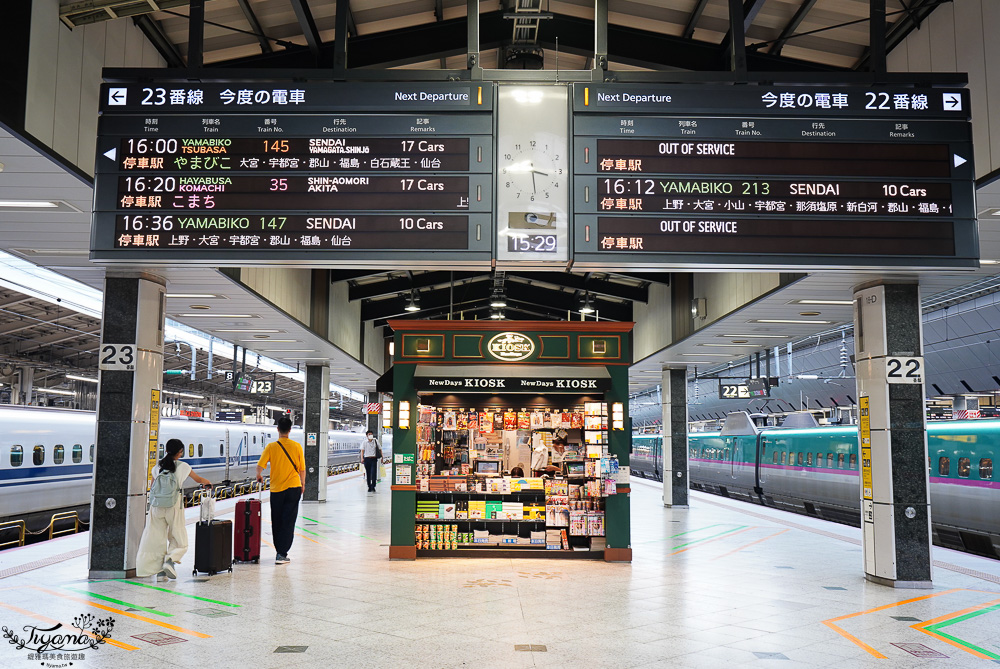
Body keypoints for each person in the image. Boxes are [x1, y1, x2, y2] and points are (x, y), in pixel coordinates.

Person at [136, 438, 211, 579]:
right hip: (174, 506)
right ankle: (170, 561)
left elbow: (152, 487)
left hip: (156, 507)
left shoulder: (157, 467)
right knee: (179, 537)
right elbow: (199, 480)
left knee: (155, 538)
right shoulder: (183, 466)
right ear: (180, 452)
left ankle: (159, 572)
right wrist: (207, 483)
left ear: (166, 451)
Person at [256, 416, 305, 564]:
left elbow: (260, 466)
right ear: (290, 430)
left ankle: (279, 551)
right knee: (289, 521)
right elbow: (302, 469)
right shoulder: (297, 446)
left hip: (277, 489)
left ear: (277, 429)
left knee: (276, 520)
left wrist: (259, 475)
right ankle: (282, 553)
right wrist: (302, 484)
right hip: (293, 488)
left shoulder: (271, 447)